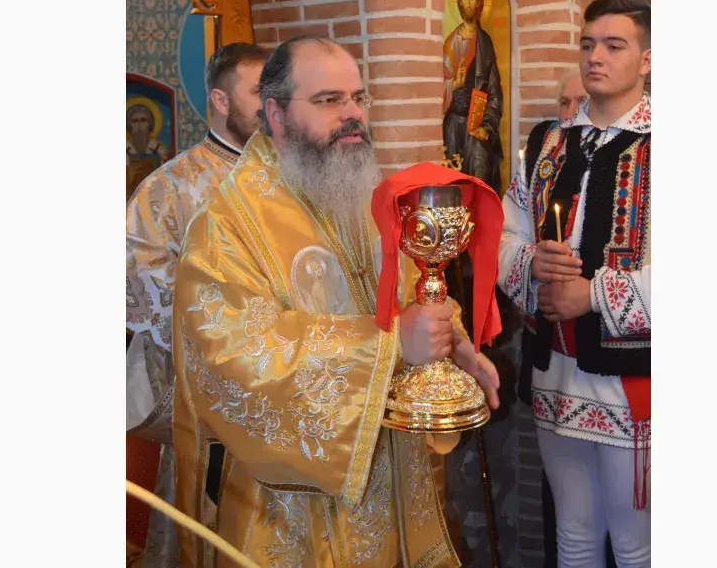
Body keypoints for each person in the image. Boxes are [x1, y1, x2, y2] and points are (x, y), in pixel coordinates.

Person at [171, 36, 501, 568]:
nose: (352, 115)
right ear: (276, 114)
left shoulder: (355, 193)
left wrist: (451, 343)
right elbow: (234, 360)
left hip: (388, 486)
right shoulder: (225, 226)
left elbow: (409, 292)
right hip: (290, 513)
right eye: (329, 100)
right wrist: (392, 345)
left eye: (358, 98)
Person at [498, 0, 652, 568]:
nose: (596, 57)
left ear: (648, 59)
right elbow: (504, 235)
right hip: (556, 373)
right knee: (574, 536)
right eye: (588, 44)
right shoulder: (547, 142)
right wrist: (530, 265)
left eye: (614, 45)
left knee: (637, 547)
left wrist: (593, 294)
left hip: (634, 379)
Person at [126, 41, 271, 568]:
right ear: (220, 99)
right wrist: (220, 325)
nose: (269, 105)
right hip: (209, 387)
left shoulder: (289, 177)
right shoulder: (172, 185)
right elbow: (135, 273)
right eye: (258, 92)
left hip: (283, 381)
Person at [442, 0, 505, 193]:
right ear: (459, 2)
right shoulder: (451, 43)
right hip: (453, 128)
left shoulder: (485, 44)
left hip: (476, 127)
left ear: (479, 2)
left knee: (480, 186)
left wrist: (487, 127)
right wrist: (454, 84)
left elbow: (495, 92)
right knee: (453, 190)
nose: (468, 2)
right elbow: (437, 90)